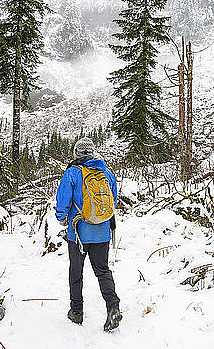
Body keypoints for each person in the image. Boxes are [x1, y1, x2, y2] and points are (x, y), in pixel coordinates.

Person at [54, 137, 122, 332]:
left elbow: (63, 200)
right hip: (102, 232)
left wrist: (61, 218)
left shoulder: (73, 173)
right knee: (102, 271)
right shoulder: (107, 173)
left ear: (76, 154)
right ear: (92, 153)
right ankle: (113, 307)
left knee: (76, 272)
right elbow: (113, 202)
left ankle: (76, 312)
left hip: (78, 234)